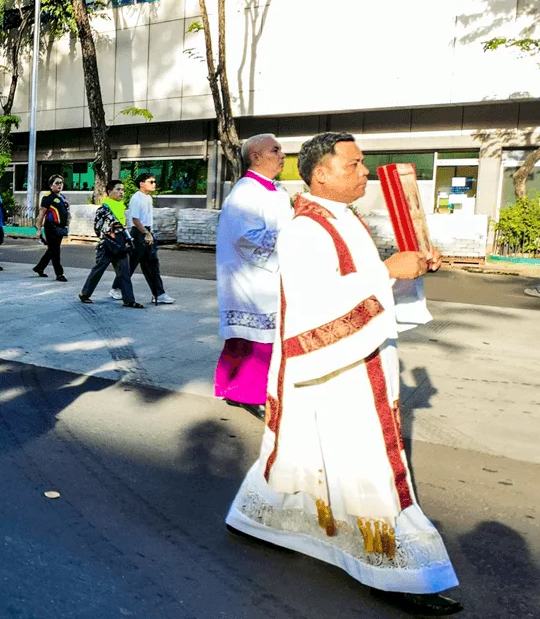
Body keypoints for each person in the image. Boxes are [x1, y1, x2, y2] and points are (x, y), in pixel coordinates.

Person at [225, 132, 460, 616]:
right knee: (366, 464)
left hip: (353, 358)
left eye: (363, 164)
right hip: (336, 369)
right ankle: (392, 570)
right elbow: (316, 305)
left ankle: (258, 520)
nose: (364, 173)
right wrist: (387, 271)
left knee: (302, 454)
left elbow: (360, 283)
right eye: (353, 165)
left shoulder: (344, 218)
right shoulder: (305, 229)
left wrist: (408, 268)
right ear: (320, 173)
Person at [214, 134, 292, 415]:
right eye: (275, 150)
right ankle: (250, 393)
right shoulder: (245, 192)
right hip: (252, 276)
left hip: (269, 273)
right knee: (258, 339)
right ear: (256, 156)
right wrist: (293, 238)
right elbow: (246, 237)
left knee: (250, 338)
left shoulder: (276, 189)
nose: (282, 154)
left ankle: (234, 388)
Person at [77, 183, 141, 307]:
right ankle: (85, 294)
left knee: (124, 273)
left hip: (120, 244)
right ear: (109, 191)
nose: (121, 192)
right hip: (108, 245)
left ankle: (129, 300)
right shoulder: (104, 208)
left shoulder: (121, 206)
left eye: (123, 189)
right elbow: (97, 228)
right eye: (118, 189)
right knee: (98, 270)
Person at [126, 173, 175, 305]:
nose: (154, 184)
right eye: (151, 182)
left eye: (154, 181)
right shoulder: (136, 198)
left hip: (146, 231)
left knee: (152, 264)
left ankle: (158, 293)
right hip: (139, 233)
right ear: (142, 183)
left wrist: (149, 232)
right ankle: (117, 288)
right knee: (131, 264)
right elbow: (135, 220)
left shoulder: (147, 198)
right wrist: (146, 233)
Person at [32, 175, 70, 281]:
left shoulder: (62, 197)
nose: (59, 185)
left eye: (61, 183)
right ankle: (59, 274)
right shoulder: (47, 197)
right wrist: (38, 229)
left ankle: (39, 268)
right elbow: (41, 214)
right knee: (55, 251)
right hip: (51, 227)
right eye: (57, 183)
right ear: (51, 185)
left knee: (52, 250)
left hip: (60, 228)